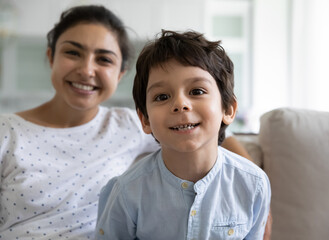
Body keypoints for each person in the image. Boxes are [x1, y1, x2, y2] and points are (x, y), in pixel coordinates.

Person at [0, 5, 263, 240]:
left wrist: (252, 189)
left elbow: (206, 135)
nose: (87, 69)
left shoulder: (126, 124)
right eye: (73, 52)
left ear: (120, 73)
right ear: (50, 57)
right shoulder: (6, 131)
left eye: (104, 59)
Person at [95, 30, 271, 240]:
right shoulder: (126, 192)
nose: (180, 104)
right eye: (162, 96)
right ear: (145, 120)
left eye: (197, 91)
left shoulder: (254, 183)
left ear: (228, 109)